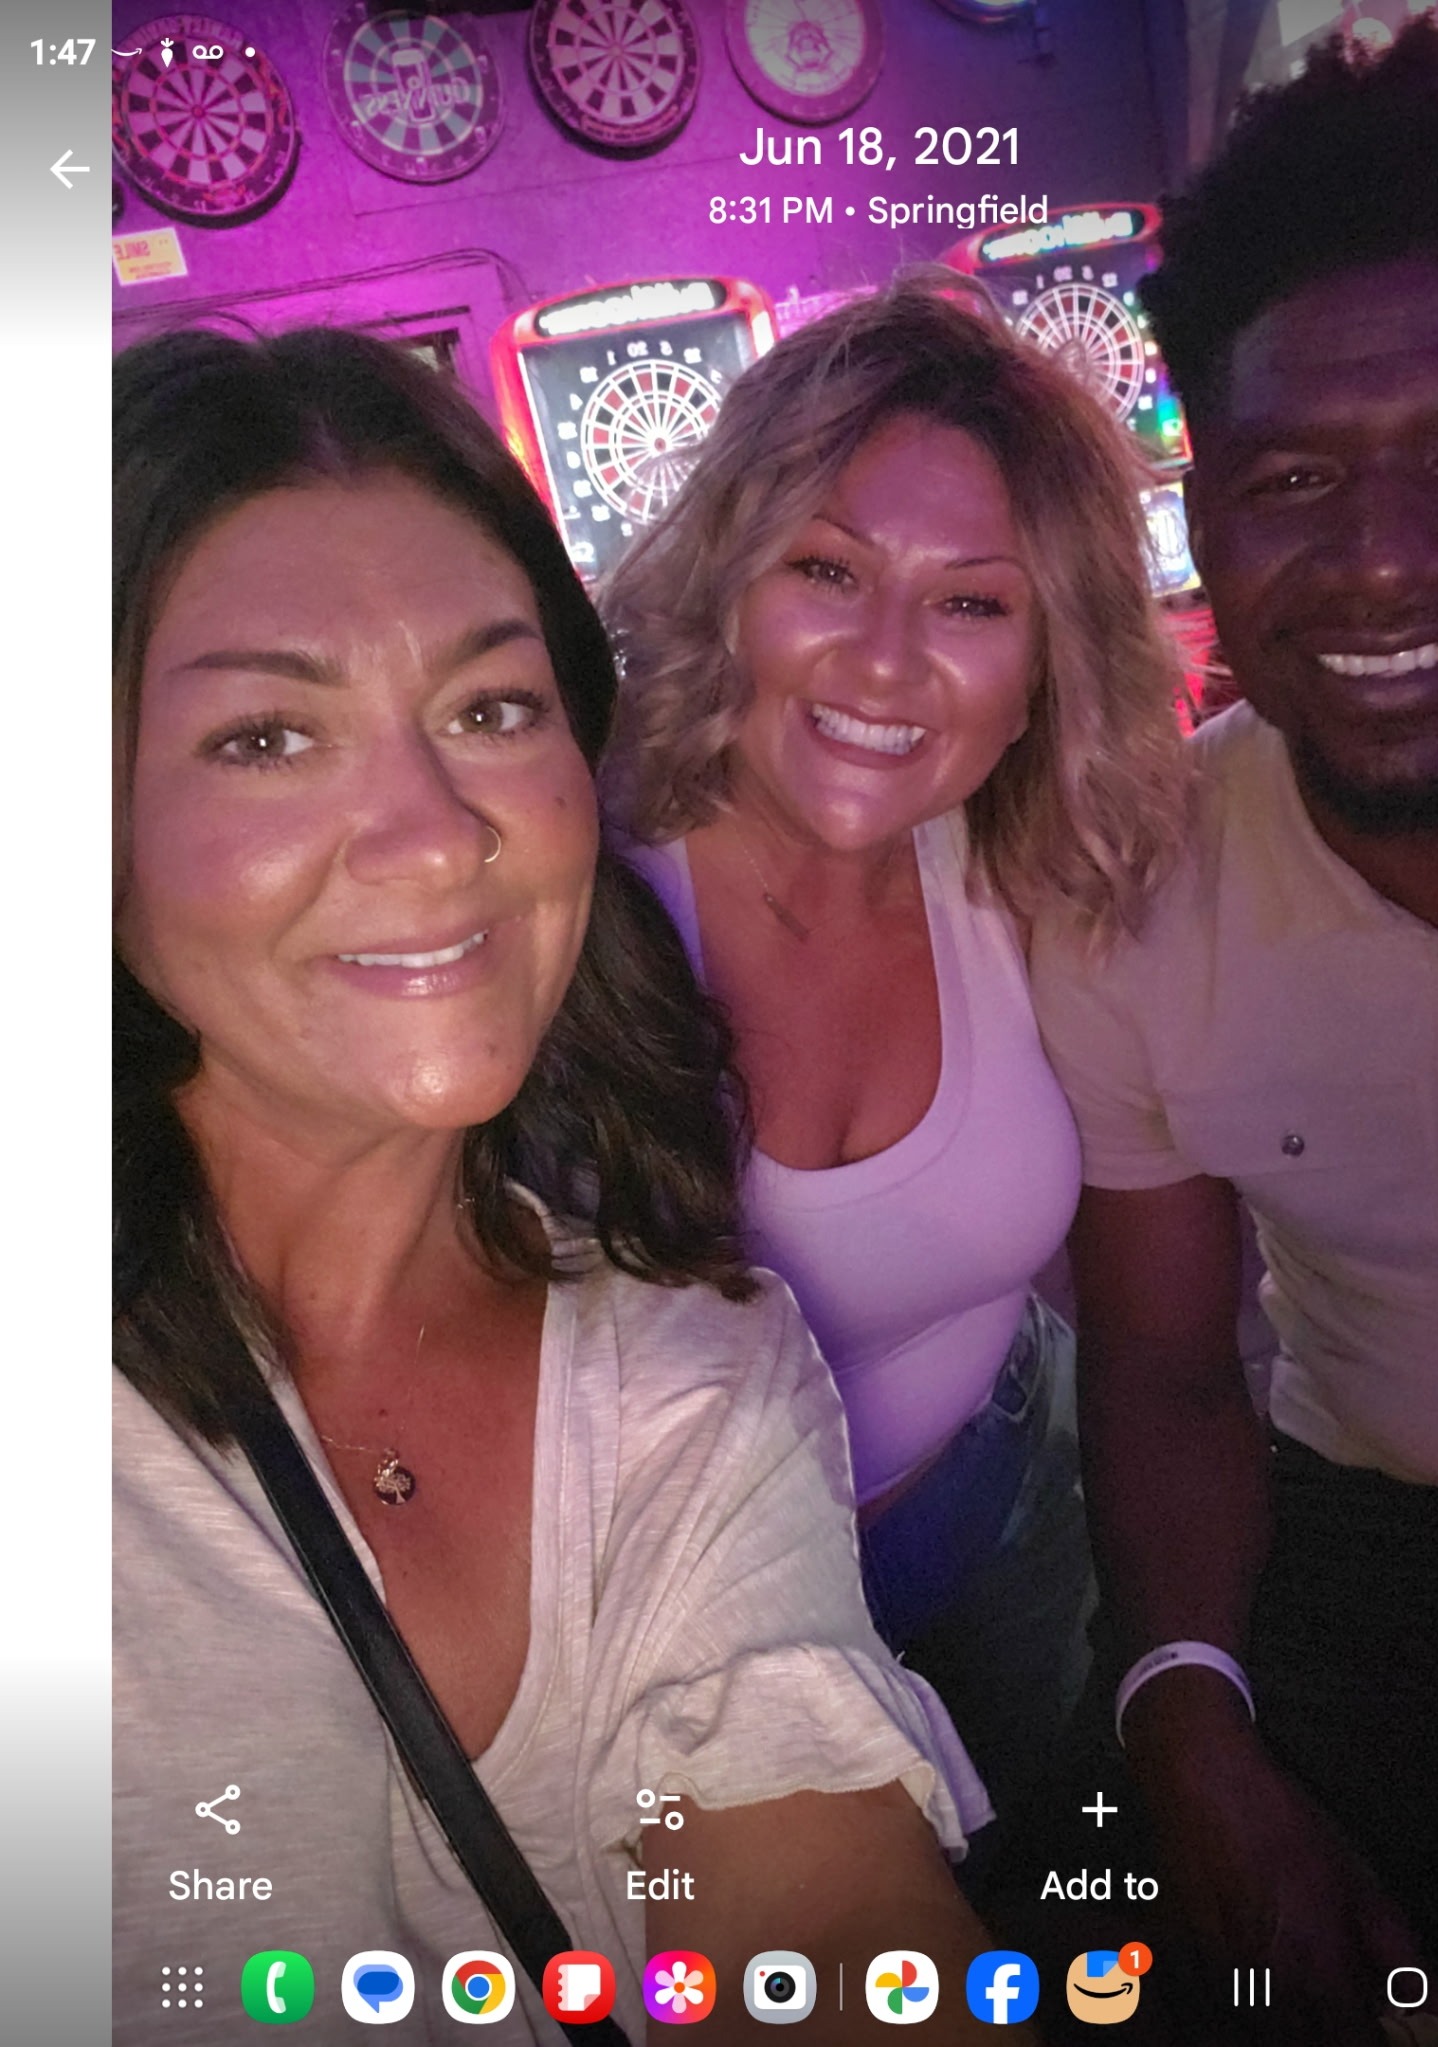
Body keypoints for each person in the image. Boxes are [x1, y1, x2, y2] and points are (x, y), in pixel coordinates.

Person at [112, 325, 1013, 2044]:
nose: (436, 830)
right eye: (268, 737)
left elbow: (824, 1924)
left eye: (489, 708)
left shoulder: (697, 1376)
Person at [1031, 23, 1438, 2047]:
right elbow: (1164, 1363)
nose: (1381, 560)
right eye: (1295, 479)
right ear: (1204, 522)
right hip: (1361, 1531)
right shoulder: (1127, 895)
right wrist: (1185, 1715)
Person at [603, 275, 1189, 1831]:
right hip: (684, 1628)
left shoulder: (1029, 861)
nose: (882, 662)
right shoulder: (560, 892)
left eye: (972, 604)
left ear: (1046, 662)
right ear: (727, 578)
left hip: (1010, 1505)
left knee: (1065, 1880)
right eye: (828, 570)